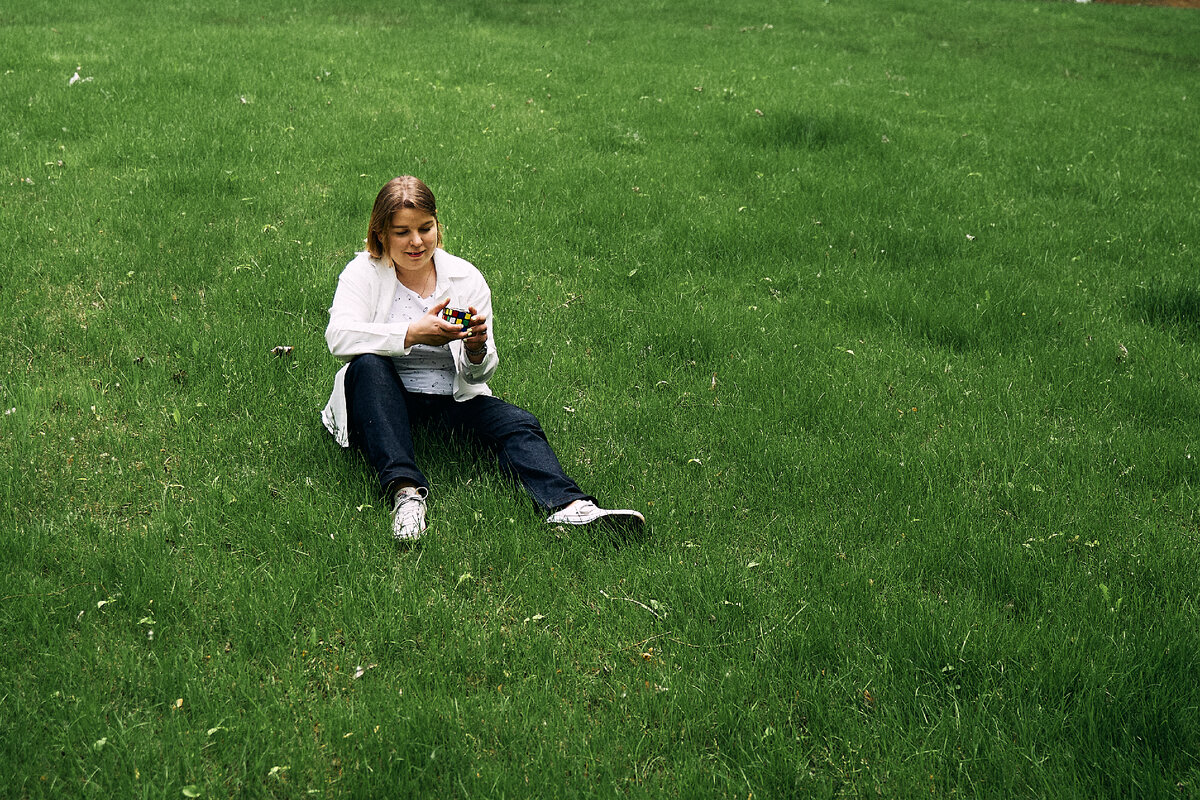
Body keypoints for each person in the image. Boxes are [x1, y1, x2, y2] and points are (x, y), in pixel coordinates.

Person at [321, 176, 645, 543]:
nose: (417, 242)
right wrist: (413, 333)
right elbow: (339, 337)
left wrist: (476, 349)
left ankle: (569, 506)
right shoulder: (363, 272)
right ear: (381, 234)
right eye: (402, 232)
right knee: (367, 365)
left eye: (425, 228)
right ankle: (406, 495)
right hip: (383, 399)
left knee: (518, 423)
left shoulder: (465, 277)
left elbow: (479, 376)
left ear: (437, 224)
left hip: (450, 397)